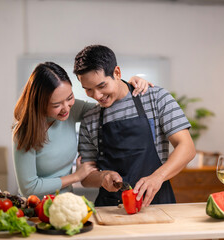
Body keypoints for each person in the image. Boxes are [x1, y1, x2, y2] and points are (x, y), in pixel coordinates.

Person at [74, 45, 196, 207]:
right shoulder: (90, 118)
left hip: (156, 203)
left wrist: (157, 177)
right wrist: (103, 177)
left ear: (117, 73)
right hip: (110, 208)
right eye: (88, 89)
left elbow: (187, 148)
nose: (97, 96)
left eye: (102, 86)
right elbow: (87, 177)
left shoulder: (156, 98)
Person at [12, 61, 152, 199]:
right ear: (39, 103)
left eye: (70, 98)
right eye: (56, 105)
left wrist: (126, 85)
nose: (66, 108)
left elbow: (108, 106)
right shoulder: (24, 132)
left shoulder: (72, 110)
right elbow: (29, 188)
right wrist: (76, 177)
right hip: (34, 209)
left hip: (66, 203)